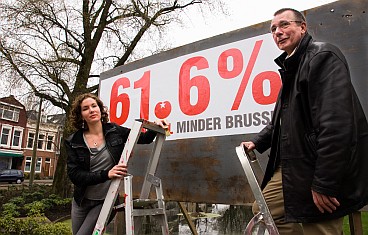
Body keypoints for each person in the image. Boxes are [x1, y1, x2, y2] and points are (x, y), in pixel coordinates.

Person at [241, 8, 368, 234]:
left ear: (302, 27)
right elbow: (279, 123)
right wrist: (257, 142)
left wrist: (325, 183)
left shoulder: (322, 56)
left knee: (318, 225)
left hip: (320, 166)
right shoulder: (291, 70)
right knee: (265, 210)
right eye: (273, 29)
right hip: (297, 166)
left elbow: (336, 126)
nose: (278, 32)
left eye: (284, 25)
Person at [65, 93, 169, 235]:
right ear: (81, 115)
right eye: (85, 108)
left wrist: (155, 126)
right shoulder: (73, 141)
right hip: (81, 201)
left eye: (94, 106)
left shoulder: (114, 131)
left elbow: (144, 138)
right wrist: (106, 174)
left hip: (106, 200)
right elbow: (74, 175)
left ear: (101, 110)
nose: (91, 110)